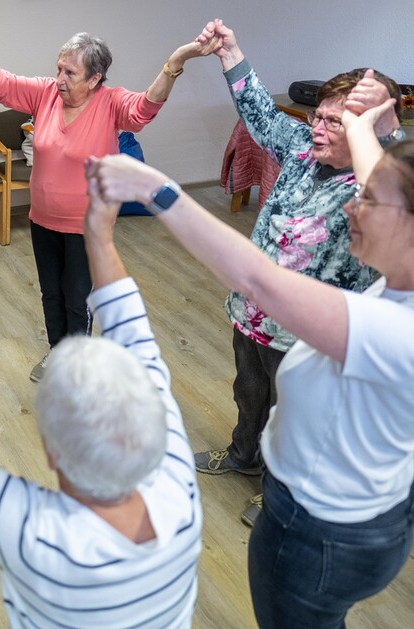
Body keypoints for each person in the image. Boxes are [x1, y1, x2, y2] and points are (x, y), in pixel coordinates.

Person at [88, 84, 414, 627]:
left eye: (372, 199)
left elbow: (254, 277)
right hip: (359, 520)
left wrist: (155, 190)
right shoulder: (399, 286)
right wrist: (372, 114)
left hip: (316, 536)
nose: (355, 202)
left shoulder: (390, 328)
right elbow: (372, 154)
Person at [0, 170, 202, 626]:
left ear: (51, 452)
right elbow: (138, 338)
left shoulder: (36, 536)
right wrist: (101, 239)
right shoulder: (178, 484)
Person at [187, 19, 402, 527]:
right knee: (250, 393)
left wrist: (387, 132)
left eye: (335, 122)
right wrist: (231, 53)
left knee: (296, 417)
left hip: (308, 337)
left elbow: (396, 189)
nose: (317, 128)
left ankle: (283, 491)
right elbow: (259, 111)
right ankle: (243, 456)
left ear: (365, 133)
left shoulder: (373, 188)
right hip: (254, 315)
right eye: (318, 117)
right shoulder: (304, 152)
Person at [0, 32, 217, 382]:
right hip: (42, 218)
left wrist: (177, 61)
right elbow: (1, 83)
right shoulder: (45, 93)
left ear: (94, 79)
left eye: (70, 73)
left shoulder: (110, 103)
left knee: (77, 297)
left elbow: (145, 108)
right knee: (51, 293)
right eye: (59, 69)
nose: (60, 78)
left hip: (86, 225)